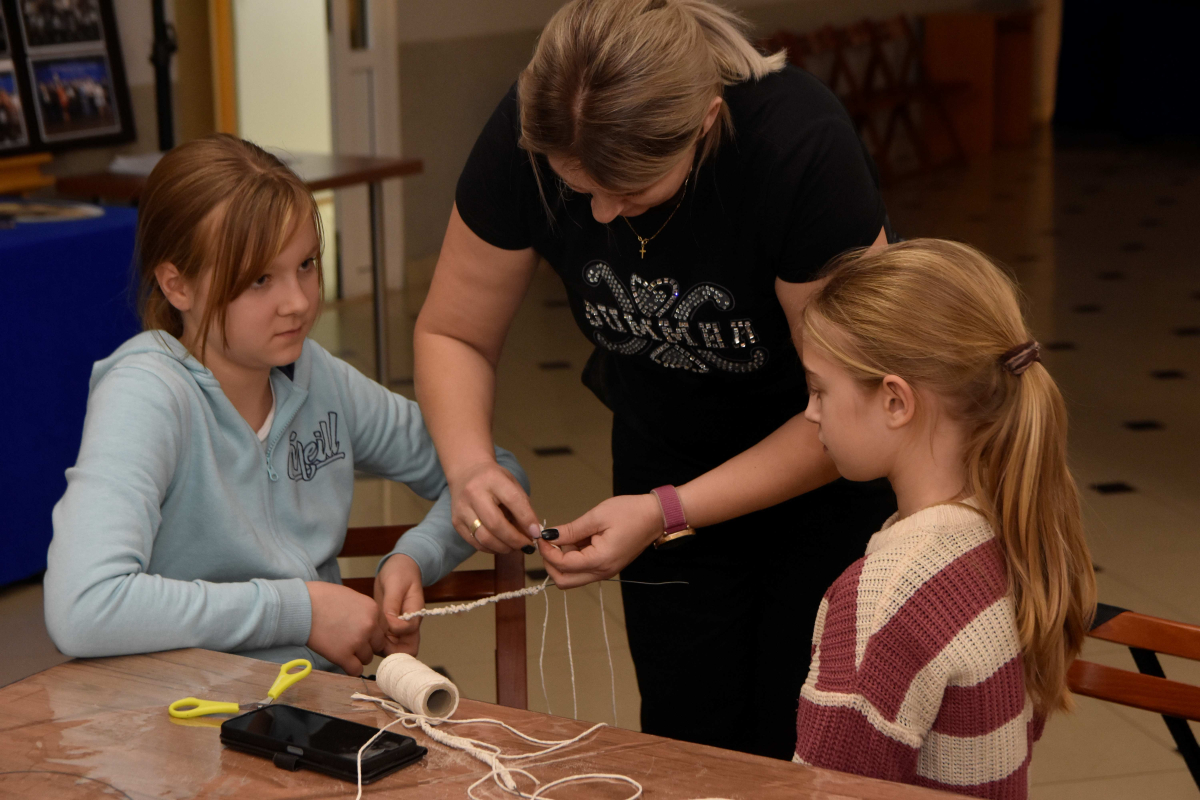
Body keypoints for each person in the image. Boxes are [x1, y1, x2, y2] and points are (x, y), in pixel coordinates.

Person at [411, 0, 896, 757]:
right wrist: (469, 465)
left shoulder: (797, 146)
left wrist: (667, 511)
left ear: (705, 123)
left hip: (826, 468)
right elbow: (454, 332)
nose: (603, 215)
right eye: (580, 190)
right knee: (687, 737)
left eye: (631, 193)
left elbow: (856, 408)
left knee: (807, 741)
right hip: (661, 454)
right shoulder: (536, 129)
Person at [43, 134, 526, 676]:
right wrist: (301, 610)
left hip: (316, 699)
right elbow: (83, 606)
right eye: (259, 280)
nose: (297, 302)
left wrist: (416, 555)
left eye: (306, 264)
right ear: (177, 285)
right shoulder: (146, 395)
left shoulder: (320, 378)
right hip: (186, 709)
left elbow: (496, 474)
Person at [792, 239, 1096, 798]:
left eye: (818, 389)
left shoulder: (884, 599)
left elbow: (825, 792)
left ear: (895, 401)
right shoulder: (1011, 528)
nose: (810, 413)